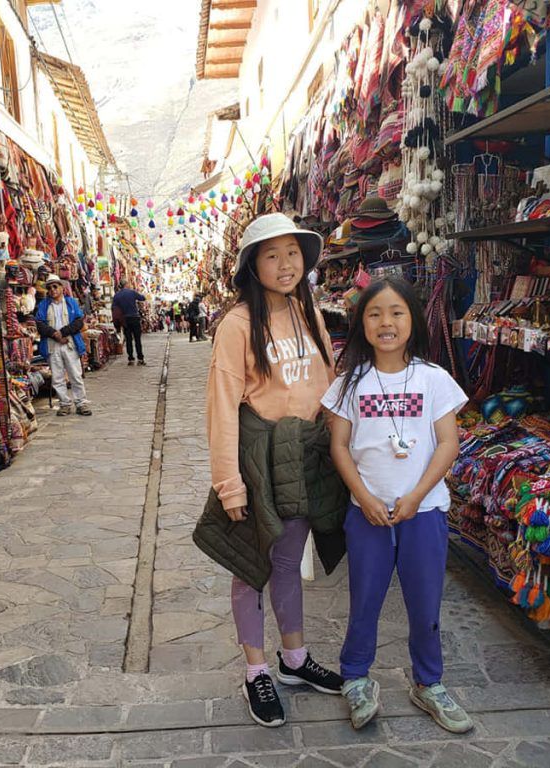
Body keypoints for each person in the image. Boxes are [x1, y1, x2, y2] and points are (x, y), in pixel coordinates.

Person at [194, 212, 347, 729]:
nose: (285, 264)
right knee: (250, 567)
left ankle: (295, 661)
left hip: (302, 458)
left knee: (287, 564)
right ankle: (255, 669)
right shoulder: (237, 325)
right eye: (272, 254)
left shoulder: (312, 313)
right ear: (252, 266)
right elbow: (221, 406)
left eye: (293, 253)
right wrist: (228, 483)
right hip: (258, 461)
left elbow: (329, 386)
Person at [320, 277, 473, 735]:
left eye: (397, 312)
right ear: (362, 322)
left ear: (413, 319)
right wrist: (364, 498)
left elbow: (448, 443)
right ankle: (356, 678)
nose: (386, 322)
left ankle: (429, 683)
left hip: (423, 513)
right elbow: (339, 448)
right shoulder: (348, 384)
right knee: (364, 598)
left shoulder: (434, 379)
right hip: (366, 514)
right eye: (375, 313)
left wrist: (417, 495)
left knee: (425, 601)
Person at [34, 277, 93, 417]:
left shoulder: (71, 302)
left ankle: (81, 403)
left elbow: (79, 322)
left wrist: (64, 332)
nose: (52, 290)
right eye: (49, 288)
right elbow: (40, 324)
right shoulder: (44, 305)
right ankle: (64, 404)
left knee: (75, 374)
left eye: (55, 287)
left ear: (61, 288)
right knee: (57, 376)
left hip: (69, 343)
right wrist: (55, 334)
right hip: (52, 344)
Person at [112, 281, 146, 366]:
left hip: (124, 319)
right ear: (126, 285)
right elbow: (142, 298)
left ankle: (130, 358)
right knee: (137, 339)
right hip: (134, 318)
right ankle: (140, 358)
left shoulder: (117, 295)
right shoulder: (132, 292)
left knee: (128, 339)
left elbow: (113, 307)